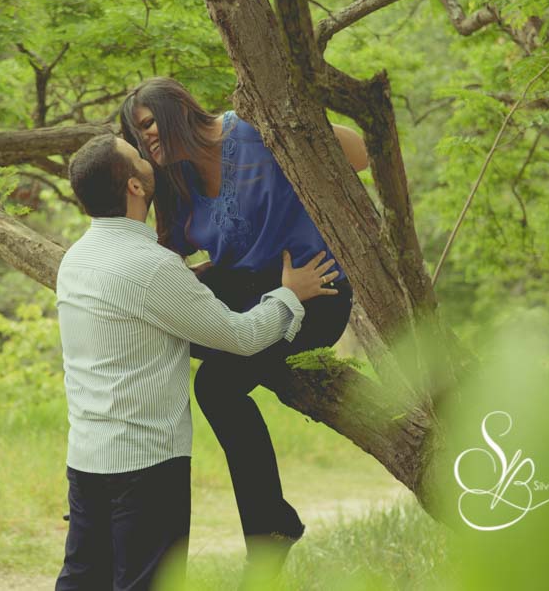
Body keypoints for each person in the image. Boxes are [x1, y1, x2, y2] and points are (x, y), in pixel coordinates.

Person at [54, 133, 339, 590]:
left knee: (83, 580)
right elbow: (241, 337)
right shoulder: (151, 267)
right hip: (147, 465)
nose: (147, 156)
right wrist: (290, 295)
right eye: (137, 157)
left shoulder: (76, 260)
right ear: (134, 187)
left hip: (87, 457)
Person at [119, 77, 368, 570]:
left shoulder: (252, 131)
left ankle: (270, 530)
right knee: (156, 319)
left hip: (313, 292)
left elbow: (359, 156)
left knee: (215, 387)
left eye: (147, 123)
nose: (144, 137)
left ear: (176, 109)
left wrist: (289, 121)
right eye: (135, 133)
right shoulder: (177, 178)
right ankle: (124, 493)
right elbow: (168, 253)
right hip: (247, 293)